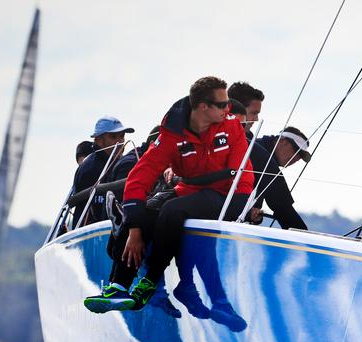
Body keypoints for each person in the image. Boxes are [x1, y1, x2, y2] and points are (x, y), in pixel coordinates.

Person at [83, 76, 254, 314]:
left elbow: (243, 178)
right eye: (223, 104)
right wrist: (135, 228)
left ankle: (150, 281)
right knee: (142, 212)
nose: (229, 109)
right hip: (189, 192)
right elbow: (139, 177)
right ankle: (118, 287)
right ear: (203, 106)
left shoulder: (232, 127)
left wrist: (236, 210)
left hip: (226, 196)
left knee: (173, 210)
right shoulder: (172, 133)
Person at [72, 116, 135, 225]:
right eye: (113, 136)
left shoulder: (121, 163)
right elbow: (95, 211)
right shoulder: (89, 169)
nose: (120, 141)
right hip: (90, 231)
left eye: (122, 136)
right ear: (98, 141)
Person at [246, 127, 310, 230]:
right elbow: (282, 206)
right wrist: (302, 234)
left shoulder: (263, 153)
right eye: (296, 152)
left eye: (300, 157)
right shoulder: (260, 154)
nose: (297, 159)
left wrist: (253, 216)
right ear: (282, 141)